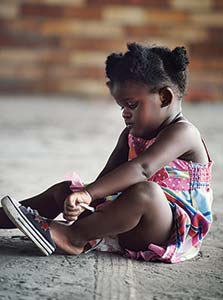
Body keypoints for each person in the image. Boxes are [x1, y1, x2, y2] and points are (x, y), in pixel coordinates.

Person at [0, 43, 213, 263]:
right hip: (122, 221)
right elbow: (108, 176)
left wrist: (88, 194)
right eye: (122, 107)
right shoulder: (129, 135)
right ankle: (15, 219)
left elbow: (141, 169)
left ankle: (74, 237)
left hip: (161, 231)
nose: (125, 114)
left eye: (131, 105)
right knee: (65, 190)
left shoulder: (183, 132)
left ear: (164, 98)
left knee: (146, 192)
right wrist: (81, 201)